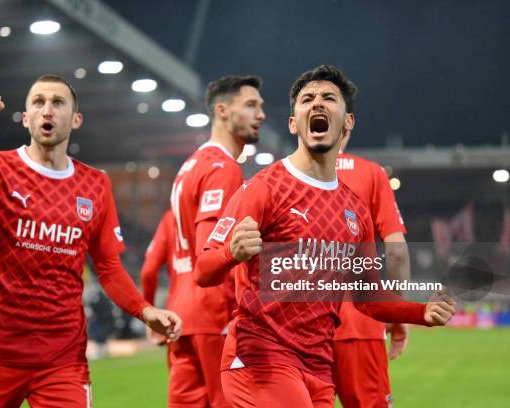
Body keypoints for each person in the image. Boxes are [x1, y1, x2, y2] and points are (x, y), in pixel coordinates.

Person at [195, 65, 456, 408]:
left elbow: (368, 297)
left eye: (329, 98)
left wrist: (420, 312)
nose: (317, 103)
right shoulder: (262, 189)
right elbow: (203, 269)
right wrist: (231, 252)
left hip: (318, 369)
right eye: (307, 99)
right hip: (261, 358)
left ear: (347, 122)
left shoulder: (355, 209)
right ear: (293, 123)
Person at [0, 75, 182, 407]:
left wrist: (145, 311)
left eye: (58, 103)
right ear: (26, 118)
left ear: (75, 118)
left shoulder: (95, 185)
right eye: (38, 102)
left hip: (62, 359)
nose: (47, 110)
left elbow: (109, 268)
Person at [166, 75, 265, 408]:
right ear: (222, 111)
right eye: (251, 105)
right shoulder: (223, 168)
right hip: (212, 314)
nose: (260, 114)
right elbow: (211, 251)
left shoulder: (190, 165)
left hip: (182, 312)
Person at [333, 133, 410, 407]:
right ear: (348, 125)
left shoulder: (276, 177)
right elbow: (397, 252)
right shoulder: (370, 173)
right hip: (358, 321)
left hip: (298, 328)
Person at [140, 209, 176, 346]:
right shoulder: (224, 210)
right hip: (215, 313)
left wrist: (149, 312)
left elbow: (148, 272)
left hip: (176, 316)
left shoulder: (170, 218)